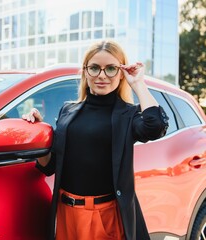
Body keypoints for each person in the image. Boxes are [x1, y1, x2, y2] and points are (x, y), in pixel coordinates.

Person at [22, 40, 169, 240]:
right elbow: (51, 166)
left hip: (104, 215)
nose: (101, 75)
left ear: (120, 72)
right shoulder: (68, 111)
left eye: (110, 68)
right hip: (66, 212)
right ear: (85, 71)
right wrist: (39, 133)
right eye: (94, 68)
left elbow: (156, 127)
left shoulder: (127, 114)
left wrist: (137, 83)